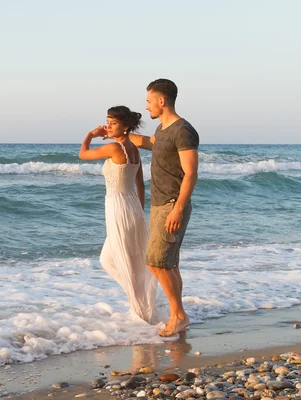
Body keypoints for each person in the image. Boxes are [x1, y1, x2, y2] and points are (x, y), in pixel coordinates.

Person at [128, 78, 199, 337]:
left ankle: (179, 315)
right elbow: (153, 143)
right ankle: (177, 315)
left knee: (156, 262)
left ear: (161, 100)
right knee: (169, 264)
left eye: (148, 101)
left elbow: (191, 173)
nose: (146, 107)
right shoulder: (162, 129)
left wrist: (178, 208)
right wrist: (124, 135)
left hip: (171, 204)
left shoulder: (182, 130)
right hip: (161, 203)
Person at [79, 106, 158, 324]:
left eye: (112, 123)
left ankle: (139, 308)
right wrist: (139, 211)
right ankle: (139, 302)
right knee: (116, 259)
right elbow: (141, 184)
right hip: (132, 206)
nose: (108, 126)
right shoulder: (134, 149)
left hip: (118, 207)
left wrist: (90, 135)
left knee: (120, 261)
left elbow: (83, 154)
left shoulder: (115, 148)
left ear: (125, 126)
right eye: (107, 122)